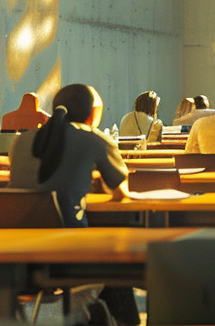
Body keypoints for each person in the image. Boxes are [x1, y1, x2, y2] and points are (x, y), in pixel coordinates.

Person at [9, 83, 130, 226]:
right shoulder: (94, 139)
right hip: (66, 232)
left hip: (15, 230)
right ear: (91, 114)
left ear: (54, 108)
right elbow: (121, 194)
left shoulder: (21, 140)